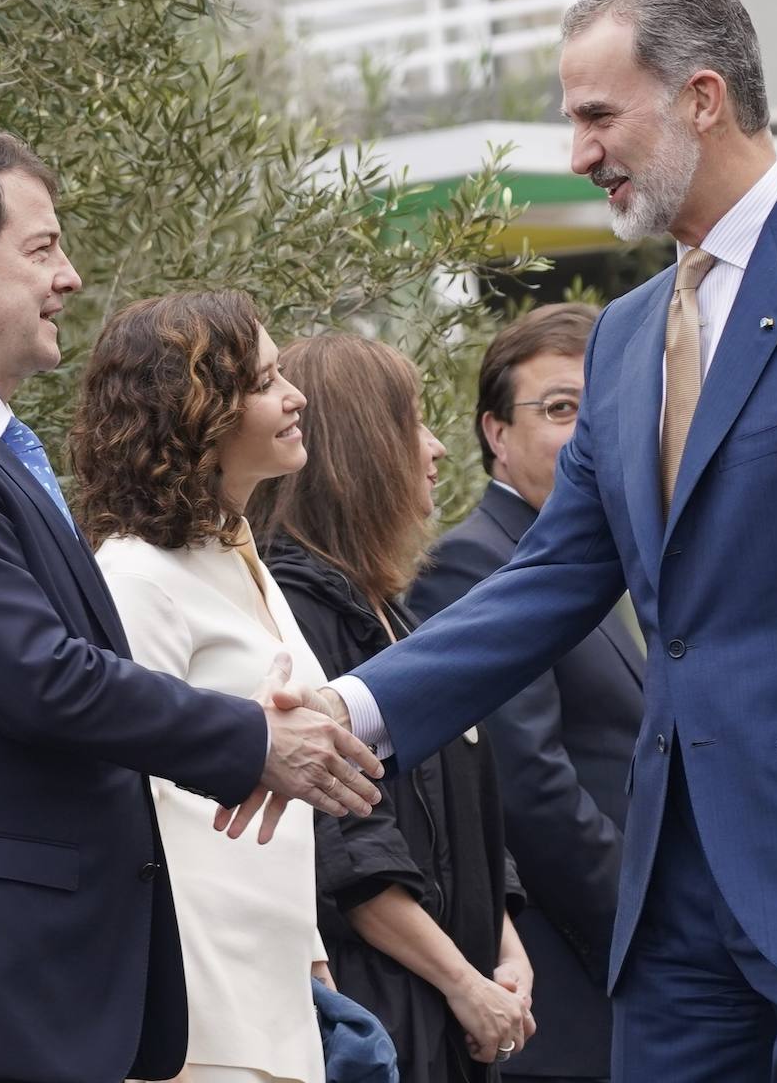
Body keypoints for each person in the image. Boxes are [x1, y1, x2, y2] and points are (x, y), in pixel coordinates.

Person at [233, 0, 777, 1083]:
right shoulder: (620, 340)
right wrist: (348, 709)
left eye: (598, 115)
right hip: (676, 911)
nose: (579, 152)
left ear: (702, 97)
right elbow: (544, 583)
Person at [0, 130, 381, 1083]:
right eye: (41, 249)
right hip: (0, 964)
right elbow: (39, 677)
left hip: (61, 963)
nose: (69, 277)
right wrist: (251, 742)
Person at [250, 333, 535, 1083]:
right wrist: (463, 982)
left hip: (454, 1006)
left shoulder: (395, 618)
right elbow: (348, 845)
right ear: (359, 449)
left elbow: (472, 820)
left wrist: (505, 951)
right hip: (386, 1008)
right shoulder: (295, 617)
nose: (437, 449)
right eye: (413, 424)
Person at [68, 291, 329, 1083]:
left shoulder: (240, 549)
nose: (295, 396)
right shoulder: (135, 575)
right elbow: (128, 794)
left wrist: (311, 955)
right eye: (263, 382)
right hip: (201, 998)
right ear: (195, 416)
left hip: (276, 971)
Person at [408, 303, 644, 1083]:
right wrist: (654, 930)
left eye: (602, 407)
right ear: (496, 434)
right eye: (561, 409)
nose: (588, 430)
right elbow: (530, 785)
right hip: (567, 991)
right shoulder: (477, 566)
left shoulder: (596, 564)